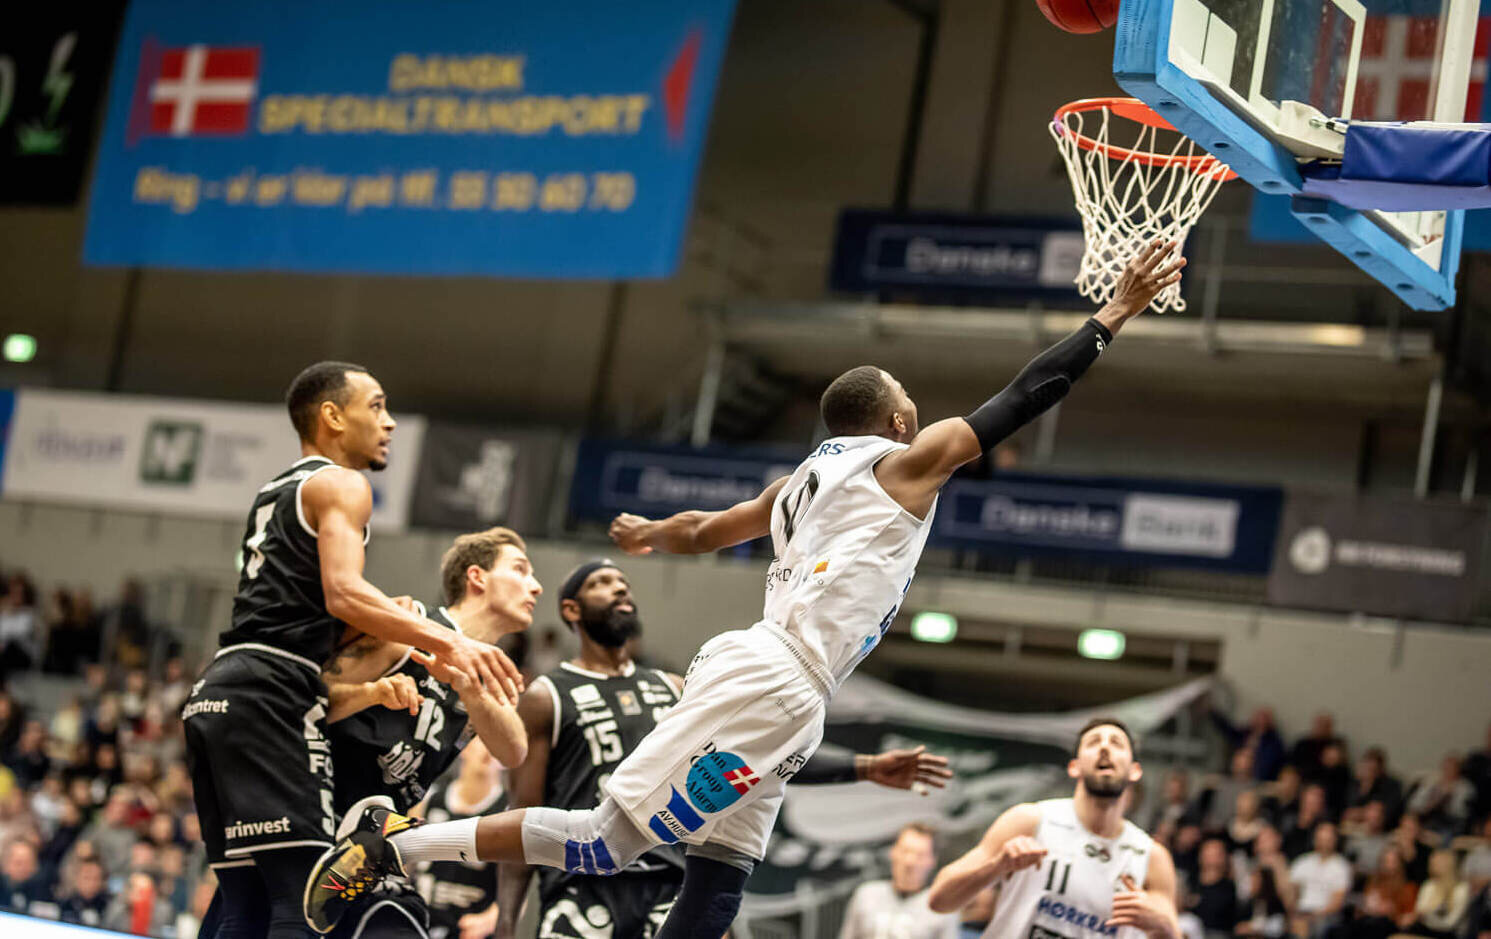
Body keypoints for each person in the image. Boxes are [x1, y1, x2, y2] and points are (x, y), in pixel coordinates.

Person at [303, 240, 1190, 939]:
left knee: (723, 876)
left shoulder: (797, 482)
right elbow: (1027, 392)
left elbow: (704, 528)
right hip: (773, 674)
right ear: (891, 419)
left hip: (792, 691)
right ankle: (393, 845)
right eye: (910, 404)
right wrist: (1111, 314)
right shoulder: (905, 463)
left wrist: (656, 532)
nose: (919, 415)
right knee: (607, 841)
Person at [182, 361, 521, 939]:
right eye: (378, 407)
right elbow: (343, 593)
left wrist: (375, 680)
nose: (389, 423)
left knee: (244, 903)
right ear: (333, 416)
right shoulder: (342, 483)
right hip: (274, 690)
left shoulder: (278, 489)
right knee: (307, 903)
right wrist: (446, 641)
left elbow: (304, 604)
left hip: (218, 691)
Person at [496, 559, 954, 939]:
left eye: (623, 583)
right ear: (571, 609)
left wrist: (866, 767)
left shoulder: (674, 686)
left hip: (668, 884)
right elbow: (525, 812)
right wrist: (506, 925)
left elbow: (761, 764)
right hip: (584, 886)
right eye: (601, 583)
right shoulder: (547, 696)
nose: (619, 590)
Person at [321, 526, 541, 939]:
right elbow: (311, 698)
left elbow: (514, 750)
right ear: (477, 577)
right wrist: (373, 692)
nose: (536, 585)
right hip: (315, 821)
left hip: (368, 852)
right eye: (521, 569)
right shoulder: (409, 626)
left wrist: (468, 687)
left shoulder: (483, 676)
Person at [926, 718, 1181, 938]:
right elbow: (939, 900)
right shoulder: (1030, 821)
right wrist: (997, 866)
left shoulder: (1152, 858)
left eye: (1116, 743)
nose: (1105, 747)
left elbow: (1170, 931)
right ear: (1074, 767)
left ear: (1135, 771)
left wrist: (1163, 926)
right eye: (1094, 742)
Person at [839, 823, 958, 939]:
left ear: (932, 860)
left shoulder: (941, 908)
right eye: (905, 851)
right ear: (893, 852)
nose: (909, 861)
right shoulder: (866, 895)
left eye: (919, 855)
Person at [1287, 822, 1350, 938]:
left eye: (1328, 840)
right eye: (1321, 839)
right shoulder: (1302, 862)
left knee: (1304, 926)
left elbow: (1337, 903)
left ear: (1335, 841)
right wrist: (1293, 911)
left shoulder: (1341, 867)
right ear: (1315, 840)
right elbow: (1292, 894)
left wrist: (1314, 915)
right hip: (1300, 912)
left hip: (1325, 916)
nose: (1324, 844)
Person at [1403, 849, 1469, 938]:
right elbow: (1420, 910)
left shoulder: (1461, 889)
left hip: (1450, 933)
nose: (1431, 865)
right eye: (1431, 863)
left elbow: (1451, 923)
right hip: (1426, 928)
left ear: (1448, 865)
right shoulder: (1429, 885)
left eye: (1436, 863)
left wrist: (1427, 916)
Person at [1179, 837, 1237, 938]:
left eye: (1216, 853)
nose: (1210, 856)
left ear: (1225, 857)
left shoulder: (1229, 888)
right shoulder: (1190, 880)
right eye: (1207, 851)